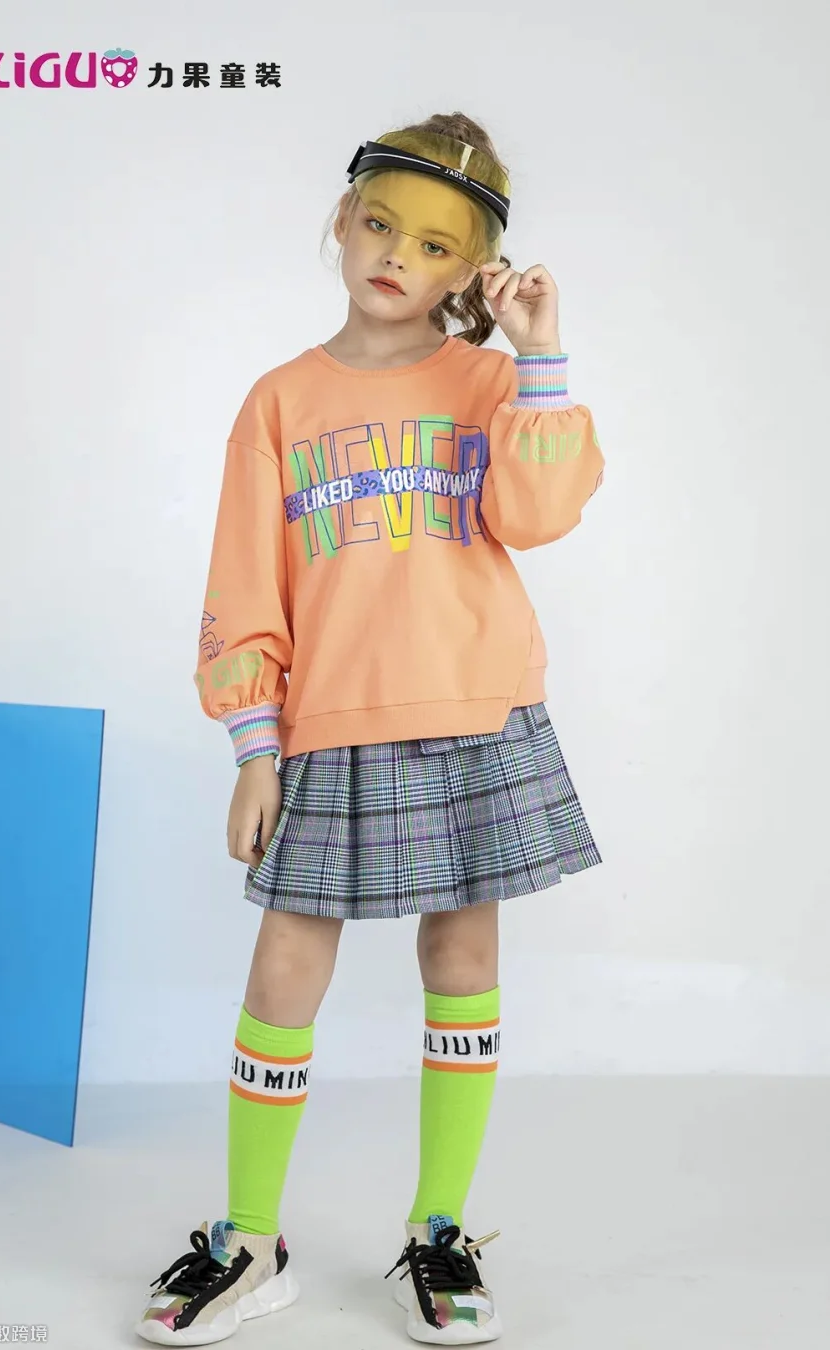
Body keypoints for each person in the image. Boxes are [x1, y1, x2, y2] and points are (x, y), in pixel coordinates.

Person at [135, 110, 605, 1347]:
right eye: (383, 224)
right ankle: (251, 1239)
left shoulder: (491, 384)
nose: (399, 255)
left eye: (437, 245)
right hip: (329, 723)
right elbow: (244, 583)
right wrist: (254, 748)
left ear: (470, 272)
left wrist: (541, 355)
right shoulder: (280, 401)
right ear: (343, 222)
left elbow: (540, 512)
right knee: (285, 966)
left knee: (463, 958)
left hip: (476, 710)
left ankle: (439, 1229)